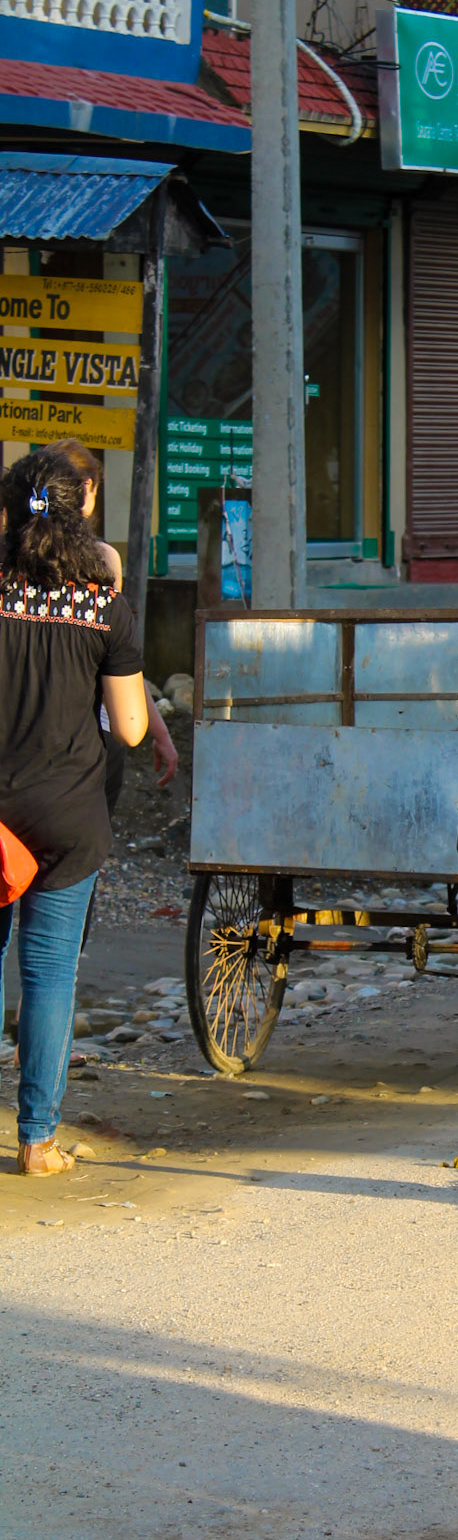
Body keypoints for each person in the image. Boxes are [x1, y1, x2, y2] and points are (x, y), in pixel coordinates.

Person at [0, 448, 148, 1175]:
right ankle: (37, 1140)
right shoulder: (103, 608)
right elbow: (129, 730)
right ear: (80, 507)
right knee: (50, 972)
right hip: (67, 814)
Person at [45, 439, 178, 805]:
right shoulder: (102, 562)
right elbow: (118, 661)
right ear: (87, 490)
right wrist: (157, 729)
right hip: (88, 743)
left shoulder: (10, 566)